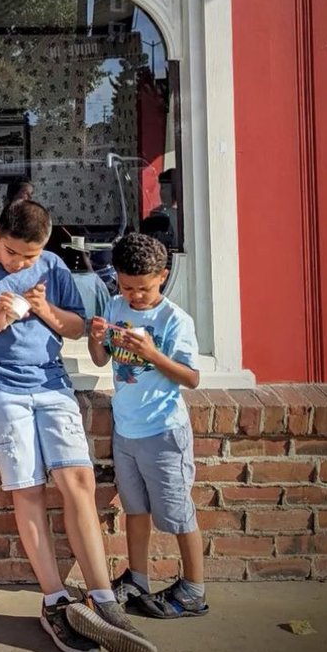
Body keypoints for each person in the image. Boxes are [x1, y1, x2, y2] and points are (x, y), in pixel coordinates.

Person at [0, 199, 157, 652]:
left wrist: (45, 310)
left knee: (78, 482)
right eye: (11, 253)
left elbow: (77, 327)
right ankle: (55, 600)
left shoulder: (53, 267)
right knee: (28, 489)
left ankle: (103, 600)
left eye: (29, 256)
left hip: (51, 383)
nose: (21, 263)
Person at [87, 233, 206, 619]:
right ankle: (137, 577)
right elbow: (101, 360)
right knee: (134, 509)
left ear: (163, 277)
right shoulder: (115, 304)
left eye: (144, 288)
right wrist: (96, 339)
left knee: (177, 513)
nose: (135, 296)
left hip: (163, 430)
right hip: (126, 429)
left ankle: (194, 589)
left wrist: (152, 354)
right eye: (127, 287)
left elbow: (191, 378)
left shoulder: (175, 319)